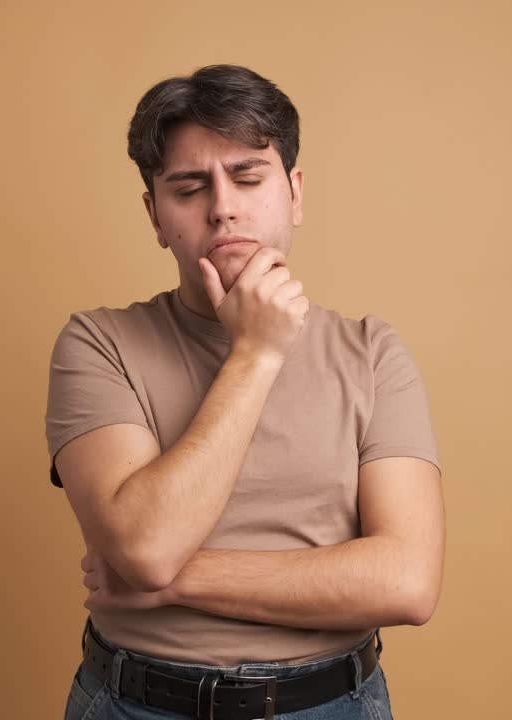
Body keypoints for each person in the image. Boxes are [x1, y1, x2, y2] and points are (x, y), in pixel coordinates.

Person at [45, 63, 444, 720]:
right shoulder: (98, 344)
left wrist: (176, 579)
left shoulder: (373, 354)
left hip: (331, 704)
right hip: (136, 703)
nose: (223, 205)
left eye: (248, 177)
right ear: (155, 215)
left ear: (295, 193)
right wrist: (256, 353)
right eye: (189, 187)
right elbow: (145, 544)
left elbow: (407, 583)